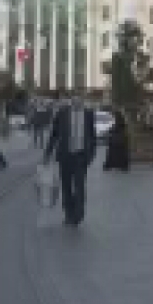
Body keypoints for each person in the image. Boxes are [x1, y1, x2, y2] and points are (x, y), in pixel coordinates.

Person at [46, 91, 97, 227]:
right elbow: (54, 134)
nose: (77, 102)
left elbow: (92, 135)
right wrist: (48, 153)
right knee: (66, 187)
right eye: (74, 100)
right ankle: (68, 214)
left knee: (79, 187)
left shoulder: (88, 114)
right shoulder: (62, 113)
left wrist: (91, 154)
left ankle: (78, 214)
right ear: (71, 101)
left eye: (79, 100)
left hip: (81, 156)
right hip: (65, 156)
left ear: (82, 101)